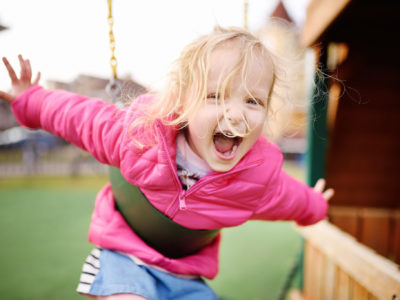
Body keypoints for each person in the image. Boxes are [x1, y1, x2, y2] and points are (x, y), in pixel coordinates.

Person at [0, 26, 334, 300]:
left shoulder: (255, 179)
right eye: (216, 96)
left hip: (185, 276)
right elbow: (80, 118)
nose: (235, 114)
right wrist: (31, 99)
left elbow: (288, 198)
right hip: (124, 258)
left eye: (252, 100)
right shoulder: (139, 135)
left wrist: (315, 205)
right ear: (184, 101)